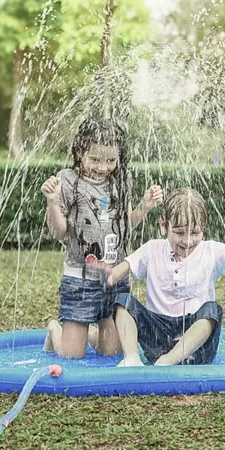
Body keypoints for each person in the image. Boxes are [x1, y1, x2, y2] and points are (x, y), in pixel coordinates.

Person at [94, 187, 225, 367]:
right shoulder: (152, 249)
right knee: (122, 301)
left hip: (196, 347)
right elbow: (122, 269)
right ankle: (132, 358)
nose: (188, 241)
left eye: (195, 233)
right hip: (157, 337)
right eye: (179, 233)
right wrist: (108, 276)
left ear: (204, 227)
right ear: (164, 225)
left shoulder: (212, 250)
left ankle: (168, 361)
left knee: (212, 311)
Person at [41, 119, 163, 359]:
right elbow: (59, 232)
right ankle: (56, 329)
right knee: (71, 356)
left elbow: (125, 224)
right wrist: (53, 202)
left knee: (113, 353)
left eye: (110, 160)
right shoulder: (68, 180)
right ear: (80, 152)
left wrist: (145, 206)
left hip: (114, 277)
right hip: (80, 279)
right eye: (95, 159)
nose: (103, 167)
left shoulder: (121, 180)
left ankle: (86, 334)